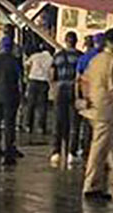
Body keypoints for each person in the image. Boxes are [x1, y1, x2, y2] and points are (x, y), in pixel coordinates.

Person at [82, 27, 113, 201]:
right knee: (99, 148)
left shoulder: (95, 60)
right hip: (108, 109)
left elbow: (84, 80)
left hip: (96, 107)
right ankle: (91, 185)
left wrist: (87, 98)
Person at [0, 36, 23, 165]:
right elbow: (19, 79)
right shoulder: (14, 61)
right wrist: (22, 95)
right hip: (10, 95)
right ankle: (8, 150)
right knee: (9, 124)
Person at [50, 31, 82, 167]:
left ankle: (56, 152)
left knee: (59, 121)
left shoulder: (57, 56)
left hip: (60, 89)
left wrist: (53, 88)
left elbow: (52, 74)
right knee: (74, 122)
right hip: (74, 90)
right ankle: (71, 153)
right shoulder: (80, 56)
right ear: (75, 41)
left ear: (65, 40)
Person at [75, 33, 102, 157]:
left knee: (86, 124)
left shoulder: (84, 58)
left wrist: (78, 96)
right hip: (100, 95)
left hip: (86, 94)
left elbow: (78, 79)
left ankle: (86, 150)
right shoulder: (102, 58)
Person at [24, 44, 53, 135]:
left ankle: (28, 125)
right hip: (44, 82)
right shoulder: (52, 59)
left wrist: (28, 75)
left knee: (30, 104)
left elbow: (27, 64)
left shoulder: (35, 56)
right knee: (42, 105)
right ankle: (41, 127)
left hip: (33, 80)